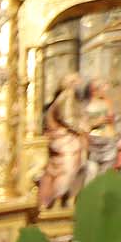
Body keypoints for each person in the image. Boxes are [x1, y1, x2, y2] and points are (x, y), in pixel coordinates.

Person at [39, 74, 87, 209]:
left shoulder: (64, 97)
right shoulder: (66, 97)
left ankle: (64, 200)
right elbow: (67, 118)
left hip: (65, 140)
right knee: (67, 170)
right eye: (76, 82)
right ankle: (57, 200)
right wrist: (81, 128)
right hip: (64, 142)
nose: (78, 85)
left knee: (70, 170)